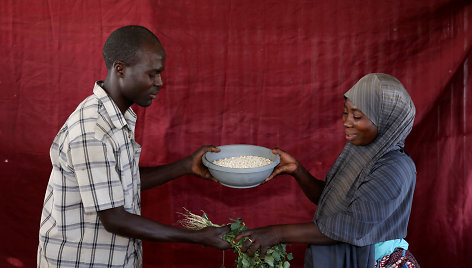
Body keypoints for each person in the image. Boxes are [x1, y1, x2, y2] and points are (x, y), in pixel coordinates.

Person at [37, 25, 230, 267]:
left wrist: (185, 166)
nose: (159, 82)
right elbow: (114, 218)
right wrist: (198, 236)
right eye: (152, 74)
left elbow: (120, 181)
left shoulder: (117, 117)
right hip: (82, 261)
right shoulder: (92, 131)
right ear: (120, 69)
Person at [234, 73, 420, 267]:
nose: (347, 122)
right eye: (346, 112)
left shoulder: (394, 168)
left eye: (357, 116)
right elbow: (335, 203)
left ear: (386, 122)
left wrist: (277, 233)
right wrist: (297, 170)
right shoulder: (360, 154)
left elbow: (352, 225)